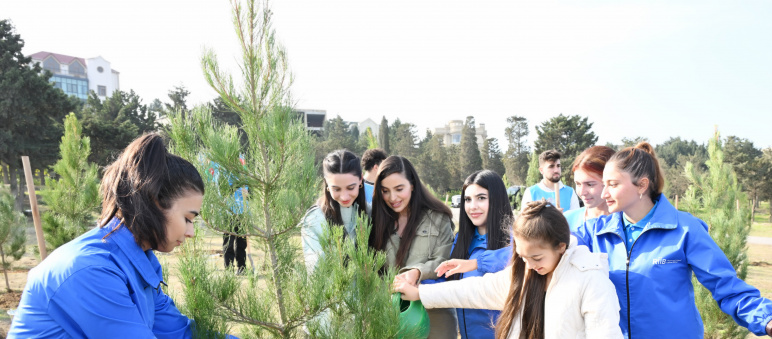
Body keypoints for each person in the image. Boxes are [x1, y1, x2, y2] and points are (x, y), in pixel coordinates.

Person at [8, 134, 213, 338]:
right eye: (187, 218)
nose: (191, 233)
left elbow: (180, 333)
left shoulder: (138, 265)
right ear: (155, 201)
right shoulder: (91, 270)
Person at [574, 142, 772, 338]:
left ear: (642, 185)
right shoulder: (594, 232)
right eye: (604, 184)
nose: (604, 193)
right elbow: (555, 246)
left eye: (613, 184)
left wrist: (766, 319)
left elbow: (727, 286)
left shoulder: (686, 229)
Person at [395, 200, 623, 339]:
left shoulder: (590, 279)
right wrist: (420, 294)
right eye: (522, 257)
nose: (530, 265)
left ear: (561, 246)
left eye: (536, 257)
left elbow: (605, 334)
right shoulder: (523, 274)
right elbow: (475, 290)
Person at [369, 156, 458, 339]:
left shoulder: (439, 218)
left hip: (436, 318)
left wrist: (417, 272)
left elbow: (444, 262)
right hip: (394, 319)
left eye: (399, 189)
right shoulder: (376, 222)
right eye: (385, 191)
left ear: (413, 185)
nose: (392, 198)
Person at [428, 170, 513, 339]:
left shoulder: (515, 239)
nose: (472, 206)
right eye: (467, 199)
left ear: (497, 199)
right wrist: (417, 284)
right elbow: (447, 277)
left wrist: (477, 262)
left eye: (481, 198)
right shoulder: (462, 239)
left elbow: (518, 259)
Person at [301, 149, 370, 274]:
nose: (344, 197)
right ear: (327, 183)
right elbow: (315, 273)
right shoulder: (315, 219)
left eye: (350, 188)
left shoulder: (370, 212)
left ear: (360, 179)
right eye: (336, 189)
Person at [205, 156, 248, 273]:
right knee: (228, 242)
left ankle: (242, 267)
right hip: (227, 211)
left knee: (242, 242)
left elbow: (247, 184)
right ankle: (228, 268)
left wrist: (246, 190)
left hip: (241, 210)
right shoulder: (220, 170)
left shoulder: (241, 168)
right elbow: (212, 179)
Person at [563, 146, 616, 232]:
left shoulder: (629, 222)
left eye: (590, 184)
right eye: (578, 184)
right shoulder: (566, 221)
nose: (582, 192)